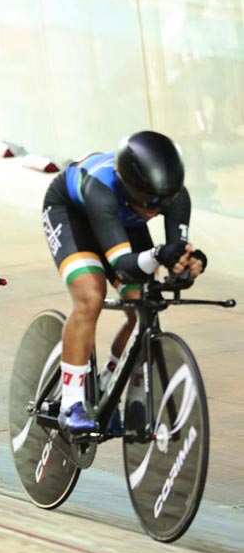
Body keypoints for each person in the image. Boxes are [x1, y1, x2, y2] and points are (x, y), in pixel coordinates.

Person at [41, 131, 207, 435]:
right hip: (72, 215)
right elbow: (124, 266)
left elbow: (173, 263)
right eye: (147, 203)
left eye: (161, 204)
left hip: (121, 222)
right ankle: (71, 403)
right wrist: (159, 254)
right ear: (129, 186)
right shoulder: (103, 189)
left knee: (142, 299)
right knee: (91, 297)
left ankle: (109, 380)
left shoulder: (174, 195)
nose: (154, 210)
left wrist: (188, 265)